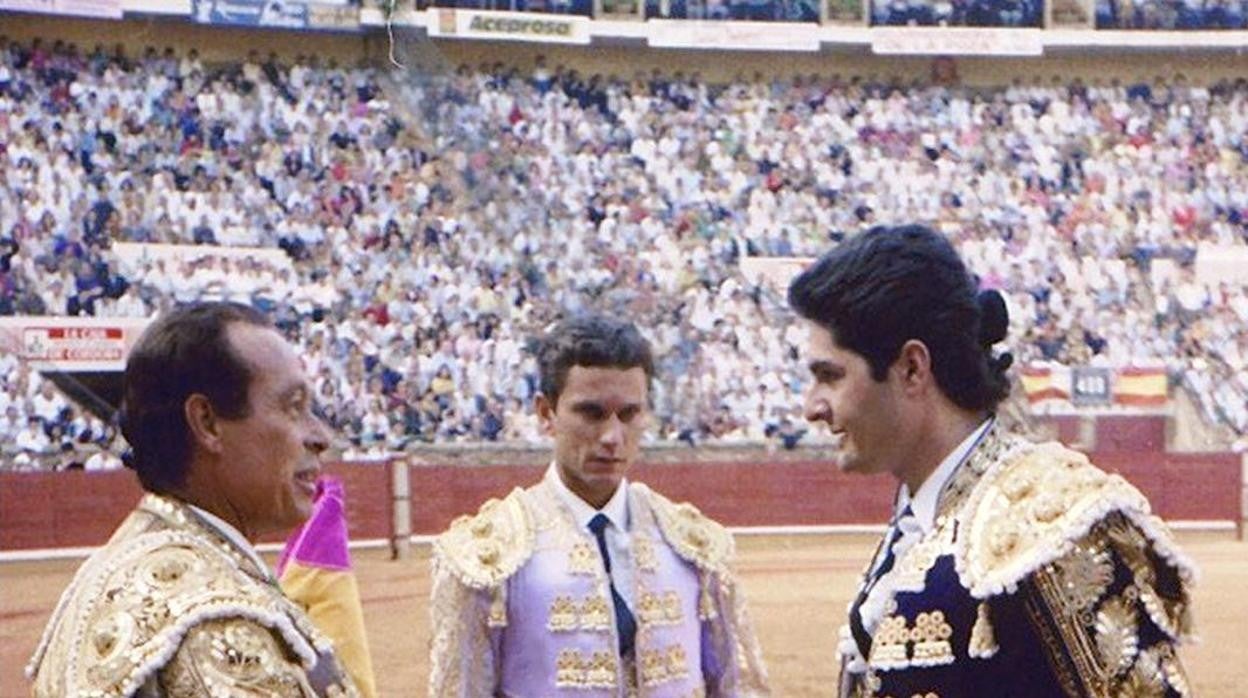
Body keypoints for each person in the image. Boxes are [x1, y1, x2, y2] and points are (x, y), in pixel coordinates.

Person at [787, 224, 1195, 698]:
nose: (812, 407)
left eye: (830, 376)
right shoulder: (925, 518)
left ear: (912, 368)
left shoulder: (1049, 525)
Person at [27, 302, 361, 697]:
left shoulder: (116, 566)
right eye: (293, 407)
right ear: (207, 423)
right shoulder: (217, 619)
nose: (320, 437)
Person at [428, 313, 770, 697]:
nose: (612, 436)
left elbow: (739, 689)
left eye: (629, 414)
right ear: (546, 413)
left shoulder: (694, 547)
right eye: (591, 413)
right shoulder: (487, 557)